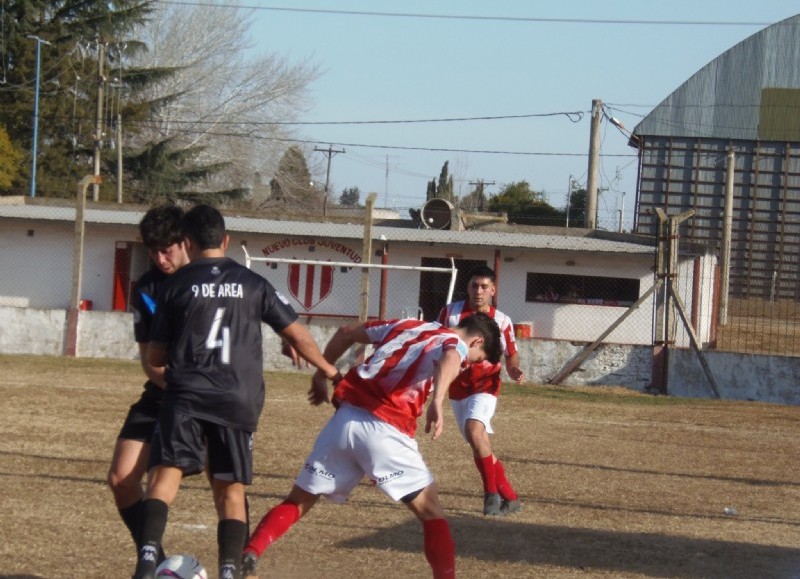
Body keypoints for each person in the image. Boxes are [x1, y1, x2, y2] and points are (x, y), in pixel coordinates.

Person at [132, 205, 340, 579]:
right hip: (237, 399)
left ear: (188, 243)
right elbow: (295, 332)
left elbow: (157, 355)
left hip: (187, 396)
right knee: (230, 489)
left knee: (165, 476)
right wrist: (328, 369)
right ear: (225, 240)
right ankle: (229, 571)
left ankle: (147, 563)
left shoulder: (175, 286)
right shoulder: (253, 282)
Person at [241, 313, 503, 579]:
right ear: (476, 341)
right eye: (476, 359)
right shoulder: (455, 342)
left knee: (298, 501)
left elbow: (345, 331)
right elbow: (452, 356)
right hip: (386, 429)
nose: (468, 366)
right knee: (431, 511)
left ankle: (250, 552)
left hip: (345, 421)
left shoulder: (407, 324)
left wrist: (323, 371)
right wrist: (438, 400)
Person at [107, 205, 189, 562]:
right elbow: (149, 362)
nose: (159, 258)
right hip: (164, 392)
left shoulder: (212, 280)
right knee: (121, 479)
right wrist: (172, 384)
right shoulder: (147, 288)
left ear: (185, 242)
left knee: (227, 488)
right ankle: (155, 561)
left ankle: (237, 563)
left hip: (208, 401)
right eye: (152, 250)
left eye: (166, 249)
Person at [436, 265, 525, 517]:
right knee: (479, 443)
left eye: (484, 287)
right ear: (467, 287)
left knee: (475, 432)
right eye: (474, 285)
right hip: (457, 388)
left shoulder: (502, 320)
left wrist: (514, 369)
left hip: (486, 386)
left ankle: (490, 497)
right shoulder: (450, 313)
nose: (479, 291)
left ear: (493, 290)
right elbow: (436, 340)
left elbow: (511, 355)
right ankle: (510, 497)